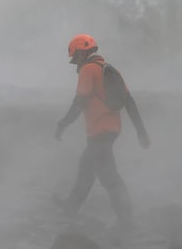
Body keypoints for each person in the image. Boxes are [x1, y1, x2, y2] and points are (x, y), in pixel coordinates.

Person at [54, 33, 149, 226]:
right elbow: (129, 102)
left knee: (109, 177)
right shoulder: (110, 70)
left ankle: (126, 219)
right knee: (87, 172)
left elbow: (79, 102)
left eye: (75, 58)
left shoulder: (88, 70)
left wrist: (62, 124)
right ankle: (69, 209)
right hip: (111, 130)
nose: (76, 63)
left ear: (81, 53)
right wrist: (141, 130)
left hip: (99, 131)